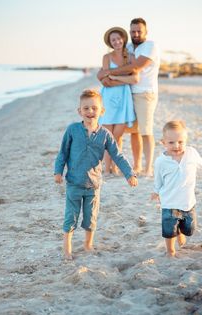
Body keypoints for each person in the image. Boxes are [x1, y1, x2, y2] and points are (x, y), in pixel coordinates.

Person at [54, 89, 138, 259]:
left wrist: (129, 173)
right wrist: (58, 171)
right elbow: (62, 153)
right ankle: (67, 249)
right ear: (80, 111)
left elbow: (117, 155)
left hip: (94, 184)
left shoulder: (105, 134)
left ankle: (87, 244)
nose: (90, 112)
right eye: (86, 108)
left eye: (94, 108)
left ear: (102, 111)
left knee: (90, 217)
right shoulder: (73, 130)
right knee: (71, 216)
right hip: (74, 183)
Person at [151, 120, 202, 257]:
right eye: (171, 142)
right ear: (163, 142)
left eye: (180, 142)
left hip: (188, 202)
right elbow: (158, 178)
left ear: (186, 140)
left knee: (189, 230)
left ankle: (180, 233)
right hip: (169, 202)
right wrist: (156, 191)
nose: (176, 146)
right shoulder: (161, 161)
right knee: (169, 230)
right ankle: (170, 250)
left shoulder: (191, 154)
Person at [98, 18, 160, 176]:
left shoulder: (150, 46)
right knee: (134, 132)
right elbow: (104, 73)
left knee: (146, 131)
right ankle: (137, 166)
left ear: (146, 31)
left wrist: (110, 74)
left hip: (145, 93)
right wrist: (102, 75)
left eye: (139, 31)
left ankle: (147, 169)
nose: (136, 33)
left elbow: (135, 68)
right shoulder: (129, 47)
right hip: (128, 94)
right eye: (133, 31)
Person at [99, 26, 139, 176]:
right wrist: (122, 79)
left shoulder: (130, 57)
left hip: (124, 98)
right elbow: (105, 80)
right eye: (113, 40)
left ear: (123, 38)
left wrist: (116, 77)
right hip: (108, 98)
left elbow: (134, 78)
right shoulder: (106, 57)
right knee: (108, 136)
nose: (116, 42)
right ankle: (107, 168)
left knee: (118, 136)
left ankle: (114, 167)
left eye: (118, 38)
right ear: (110, 42)